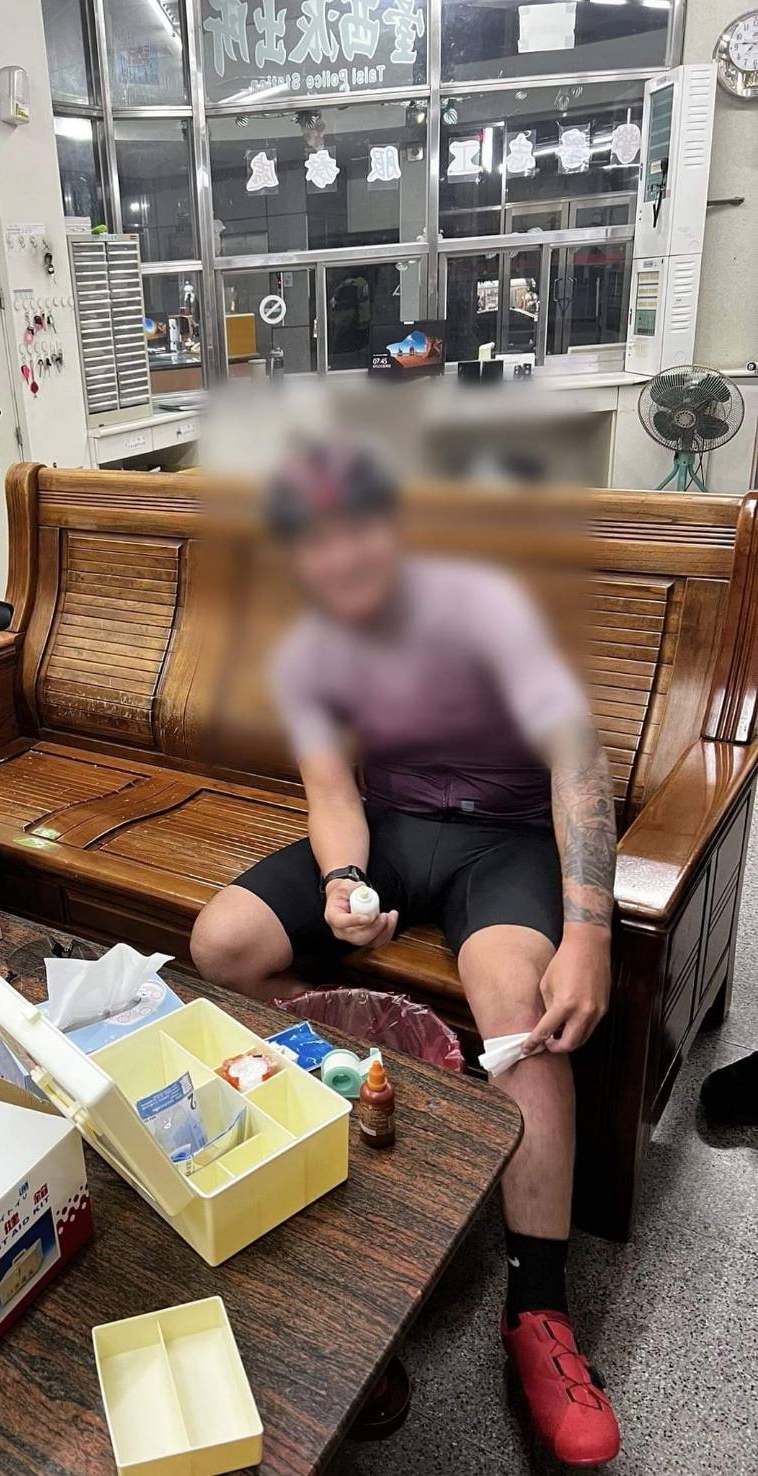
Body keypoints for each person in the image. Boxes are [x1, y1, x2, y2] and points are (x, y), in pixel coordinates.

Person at [191, 441, 622, 1468]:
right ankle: (367, 1075)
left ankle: (537, 1310)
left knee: (516, 1005)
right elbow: (332, 793)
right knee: (222, 942)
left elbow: (577, 763)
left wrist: (589, 932)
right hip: (388, 828)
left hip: (503, 840)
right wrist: (343, 883)